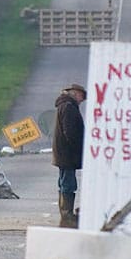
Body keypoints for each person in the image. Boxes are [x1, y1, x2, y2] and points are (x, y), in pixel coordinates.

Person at [52, 83, 86, 228]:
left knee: (64, 182)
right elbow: (70, 132)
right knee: (68, 184)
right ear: (75, 93)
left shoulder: (64, 106)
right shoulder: (69, 108)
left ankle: (66, 214)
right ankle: (67, 216)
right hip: (67, 154)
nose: (81, 100)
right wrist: (78, 147)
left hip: (63, 153)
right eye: (81, 97)